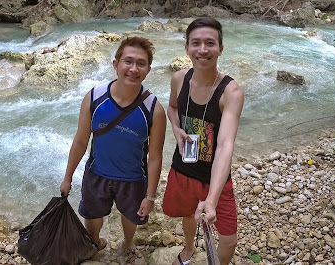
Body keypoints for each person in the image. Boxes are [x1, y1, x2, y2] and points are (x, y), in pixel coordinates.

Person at [60, 36, 166, 254]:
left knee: (130, 216)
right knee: (92, 216)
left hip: (134, 178)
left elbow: (155, 157)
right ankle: (95, 243)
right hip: (97, 173)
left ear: (148, 70)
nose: (133, 69)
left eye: (141, 63)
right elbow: (81, 141)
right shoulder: (95, 97)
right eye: (128, 61)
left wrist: (150, 196)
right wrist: (68, 177)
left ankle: (128, 244)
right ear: (116, 65)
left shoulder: (154, 109)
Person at [162, 17, 244, 265]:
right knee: (188, 215)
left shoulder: (231, 92)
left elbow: (225, 145)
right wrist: (176, 128)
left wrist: (212, 199)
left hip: (215, 178)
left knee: (229, 238)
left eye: (210, 43)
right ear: (187, 48)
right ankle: (188, 251)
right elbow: (172, 107)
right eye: (195, 43)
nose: (203, 50)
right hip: (183, 168)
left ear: (221, 48)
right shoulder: (179, 79)